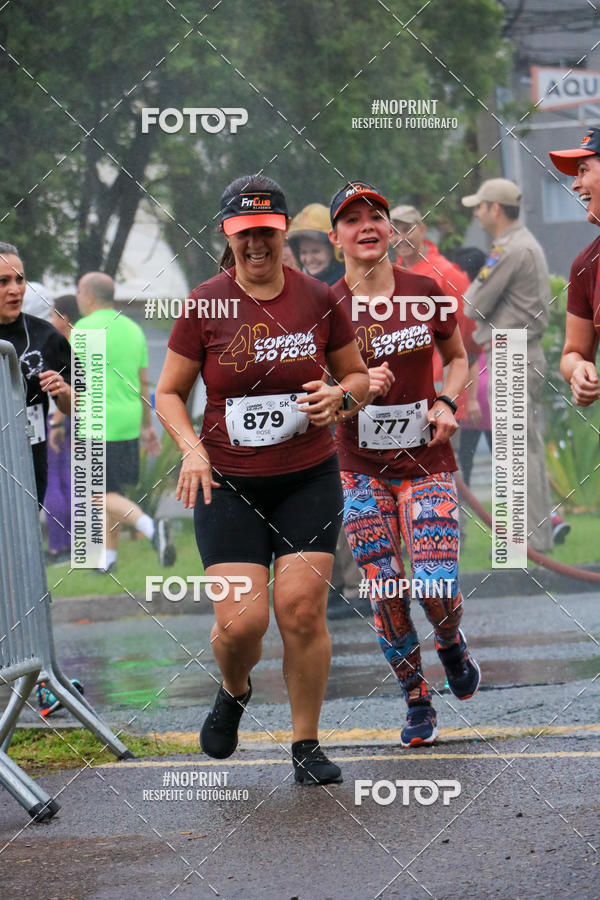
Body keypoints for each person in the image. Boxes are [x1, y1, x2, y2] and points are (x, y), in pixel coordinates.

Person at [156, 174, 369, 784]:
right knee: (241, 625)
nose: (256, 244)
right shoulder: (206, 303)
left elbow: (356, 377)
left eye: (267, 232)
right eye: (243, 232)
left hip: (307, 478)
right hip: (227, 482)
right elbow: (168, 393)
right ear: (228, 236)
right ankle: (234, 688)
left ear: (284, 233)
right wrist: (192, 450)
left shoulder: (317, 298)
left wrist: (341, 398)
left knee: (300, 611)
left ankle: (306, 744)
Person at [328, 181, 481, 748]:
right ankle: (417, 698)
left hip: (427, 460)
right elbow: (316, 389)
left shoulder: (425, 291)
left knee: (435, 584)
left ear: (391, 230)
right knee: (386, 588)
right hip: (359, 466)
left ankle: (450, 642)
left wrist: (446, 402)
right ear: (336, 237)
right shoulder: (325, 305)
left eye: (376, 216)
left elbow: (457, 358)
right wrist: (354, 389)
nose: (366, 226)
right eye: (352, 220)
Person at [461, 178, 562, 552]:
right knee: (523, 449)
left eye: (480, 206)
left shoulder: (509, 248)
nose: (476, 213)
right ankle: (534, 543)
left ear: (495, 209)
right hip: (518, 349)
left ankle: (523, 546)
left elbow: (472, 304)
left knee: (514, 452)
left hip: (511, 350)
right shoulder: (522, 244)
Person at [75, 272, 176, 572]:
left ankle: (151, 528)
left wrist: (63, 423)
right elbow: (144, 384)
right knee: (111, 492)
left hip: (95, 421)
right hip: (128, 422)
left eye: (79, 292)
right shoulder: (133, 330)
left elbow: (77, 384)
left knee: (97, 494)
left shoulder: (83, 329)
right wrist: (147, 427)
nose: (78, 298)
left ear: (88, 296)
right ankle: (108, 559)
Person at [288, 202, 361, 616]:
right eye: (304, 251)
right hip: (314, 409)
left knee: (348, 496)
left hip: (345, 406)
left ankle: (355, 587)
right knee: (322, 500)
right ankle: (330, 586)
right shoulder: (304, 289)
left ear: (331, 249)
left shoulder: (344, 289)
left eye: (316, 249)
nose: (310, 257)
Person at [0, 242, 71, 506]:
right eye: (3, 281)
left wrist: (64, 392)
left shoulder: (47, 336)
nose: (15, 289)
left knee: (23, 528)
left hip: (28, 463)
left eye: (19, 280)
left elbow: (79, 402)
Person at [550, 129, 600, 410]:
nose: (574, 185)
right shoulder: (586, 266)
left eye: (583, 171)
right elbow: (572, 354)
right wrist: (578, 370)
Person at [45, 294, 81, 563]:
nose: (50, 320)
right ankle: (73, 543)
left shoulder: (63, 345)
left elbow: (68, 388)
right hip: (76, 417)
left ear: (64, 317)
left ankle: (58, 547)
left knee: (54, 479)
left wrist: (56, 421)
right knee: (70, 478)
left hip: (57, 417)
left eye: (53, 314)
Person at [287, 203, 345, 285]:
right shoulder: (297, 285)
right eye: (303, 252)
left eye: (316, 251)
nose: (309, 259)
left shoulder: (351, 284)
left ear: (333, 250)